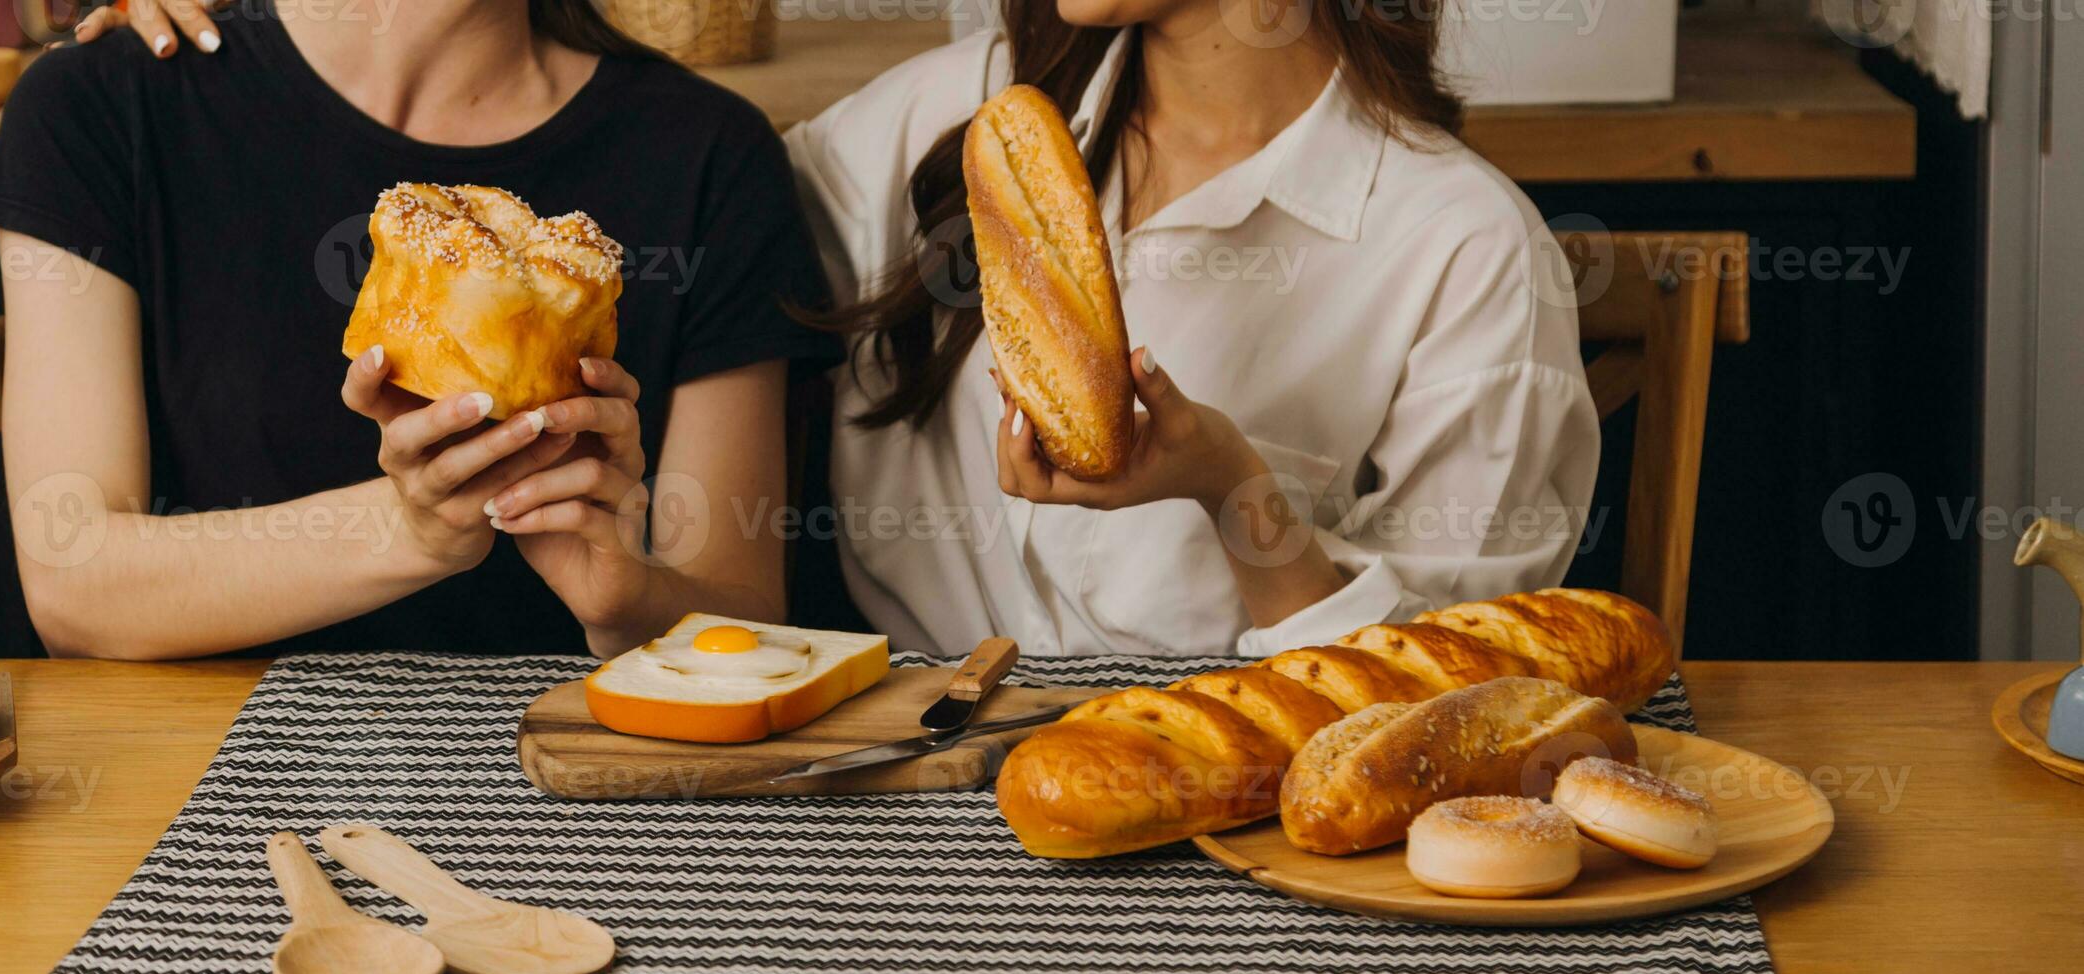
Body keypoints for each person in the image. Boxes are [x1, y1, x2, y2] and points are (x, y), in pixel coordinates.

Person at [86, 0, 1600, 661]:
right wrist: (262, 39)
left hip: (1225, 813)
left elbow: (1452, 699)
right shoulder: (948, 121)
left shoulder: (1458, 251)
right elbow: (630, 172)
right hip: (888, 798)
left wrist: (1229, 488)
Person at [0, 0, 835, 660]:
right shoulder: (105, 104)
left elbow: (744, 629)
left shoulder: (710, 155)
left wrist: (629, 602)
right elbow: (73, 580)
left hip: (580, 807)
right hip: (191, 796)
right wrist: (408, 530)